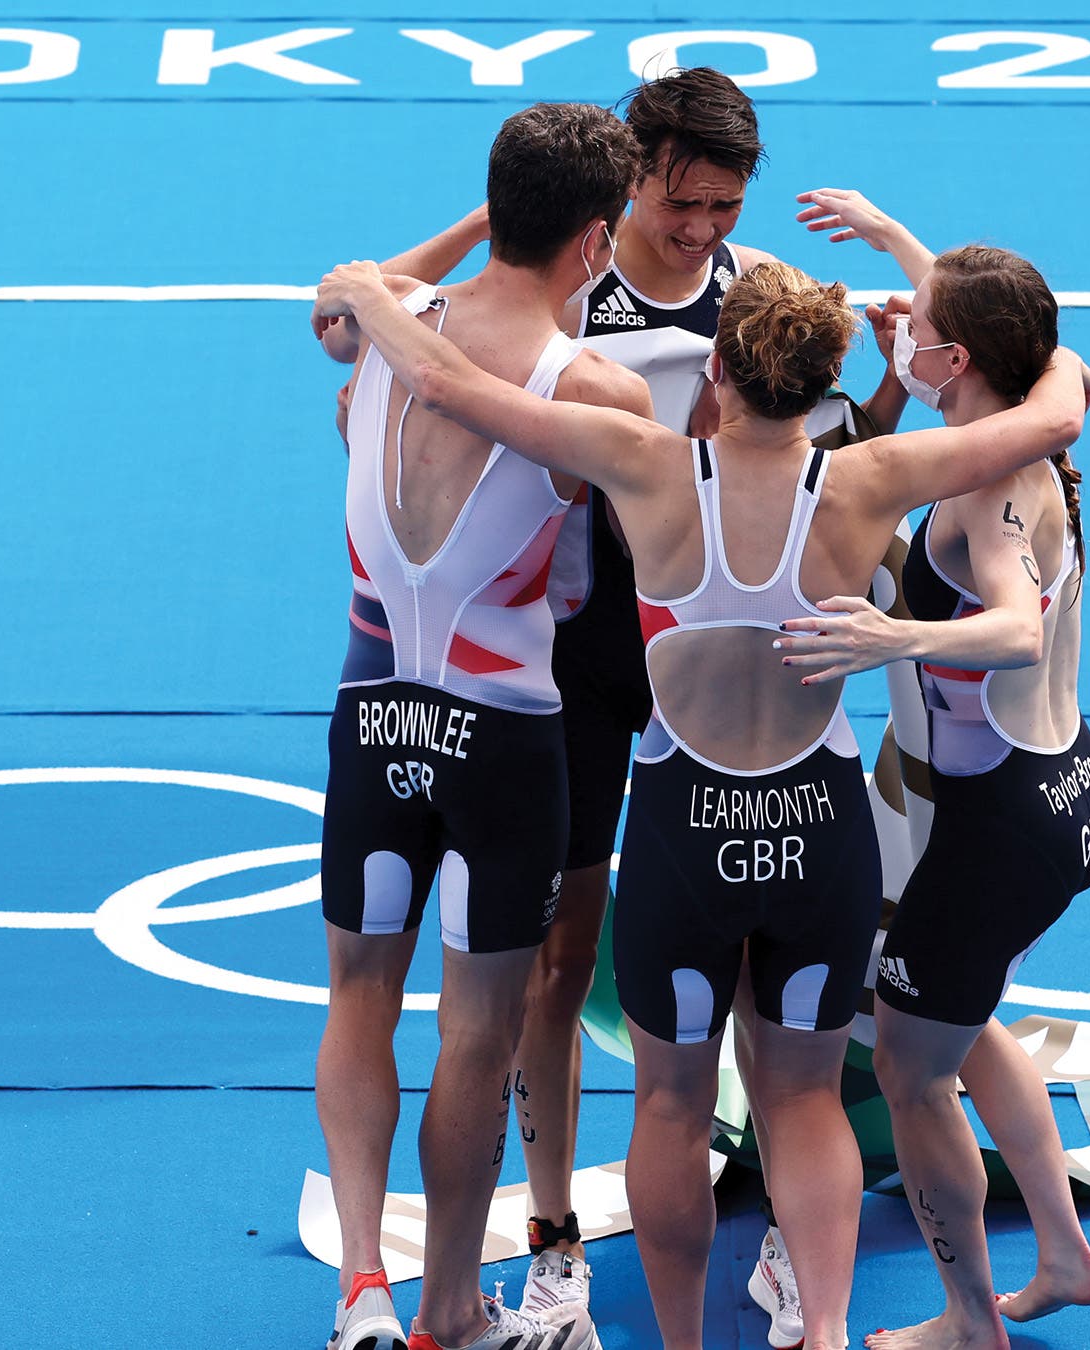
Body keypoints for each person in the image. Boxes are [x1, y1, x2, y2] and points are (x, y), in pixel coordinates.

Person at [315, 255, 1090, 1350]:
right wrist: (1011, 343)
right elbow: (1063, 404)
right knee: (804, 1101)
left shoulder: (644, 465)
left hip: (685, 833)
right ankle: (823, 1332)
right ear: (829, 378)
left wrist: (380, 301)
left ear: (716, 372)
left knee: (672, 1111)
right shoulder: (877, 476)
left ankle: (682, 1345)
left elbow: (450, 386)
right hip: (820, 836)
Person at [315, 68, 896, 1341]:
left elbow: (840, 463)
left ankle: (793, 1222)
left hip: (715, 651)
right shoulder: (576, 303)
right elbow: (438, 358)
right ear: (626, 186)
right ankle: (552, 1230)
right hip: (568, 662)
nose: (701, 231)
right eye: (681, 204)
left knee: (760, 947)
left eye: (723, 208)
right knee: (557, 962)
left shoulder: (761, 307)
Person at [314, 101, 648, 1350]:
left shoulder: (375, 347)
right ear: (597, 242)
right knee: (479, 1027)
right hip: (504, 736)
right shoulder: (596, 385)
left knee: (356, 994)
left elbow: (347, 306)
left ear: (494, 213)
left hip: (369, 714)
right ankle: (451, 1305)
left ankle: (362, 1287)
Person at [779, 191, 1090, 1350]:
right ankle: (1064, 1256)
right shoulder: (1039, 417)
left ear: (957, 358)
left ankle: (971, 1323)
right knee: (961, 1023)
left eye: (911, 326)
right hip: (1070, 789)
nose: (896, 331)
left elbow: (1017, 626)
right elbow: (1012, 338)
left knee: (910, 1067)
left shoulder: (978, 499)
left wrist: (895, 638)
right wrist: (895, 241)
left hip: (995, 827)